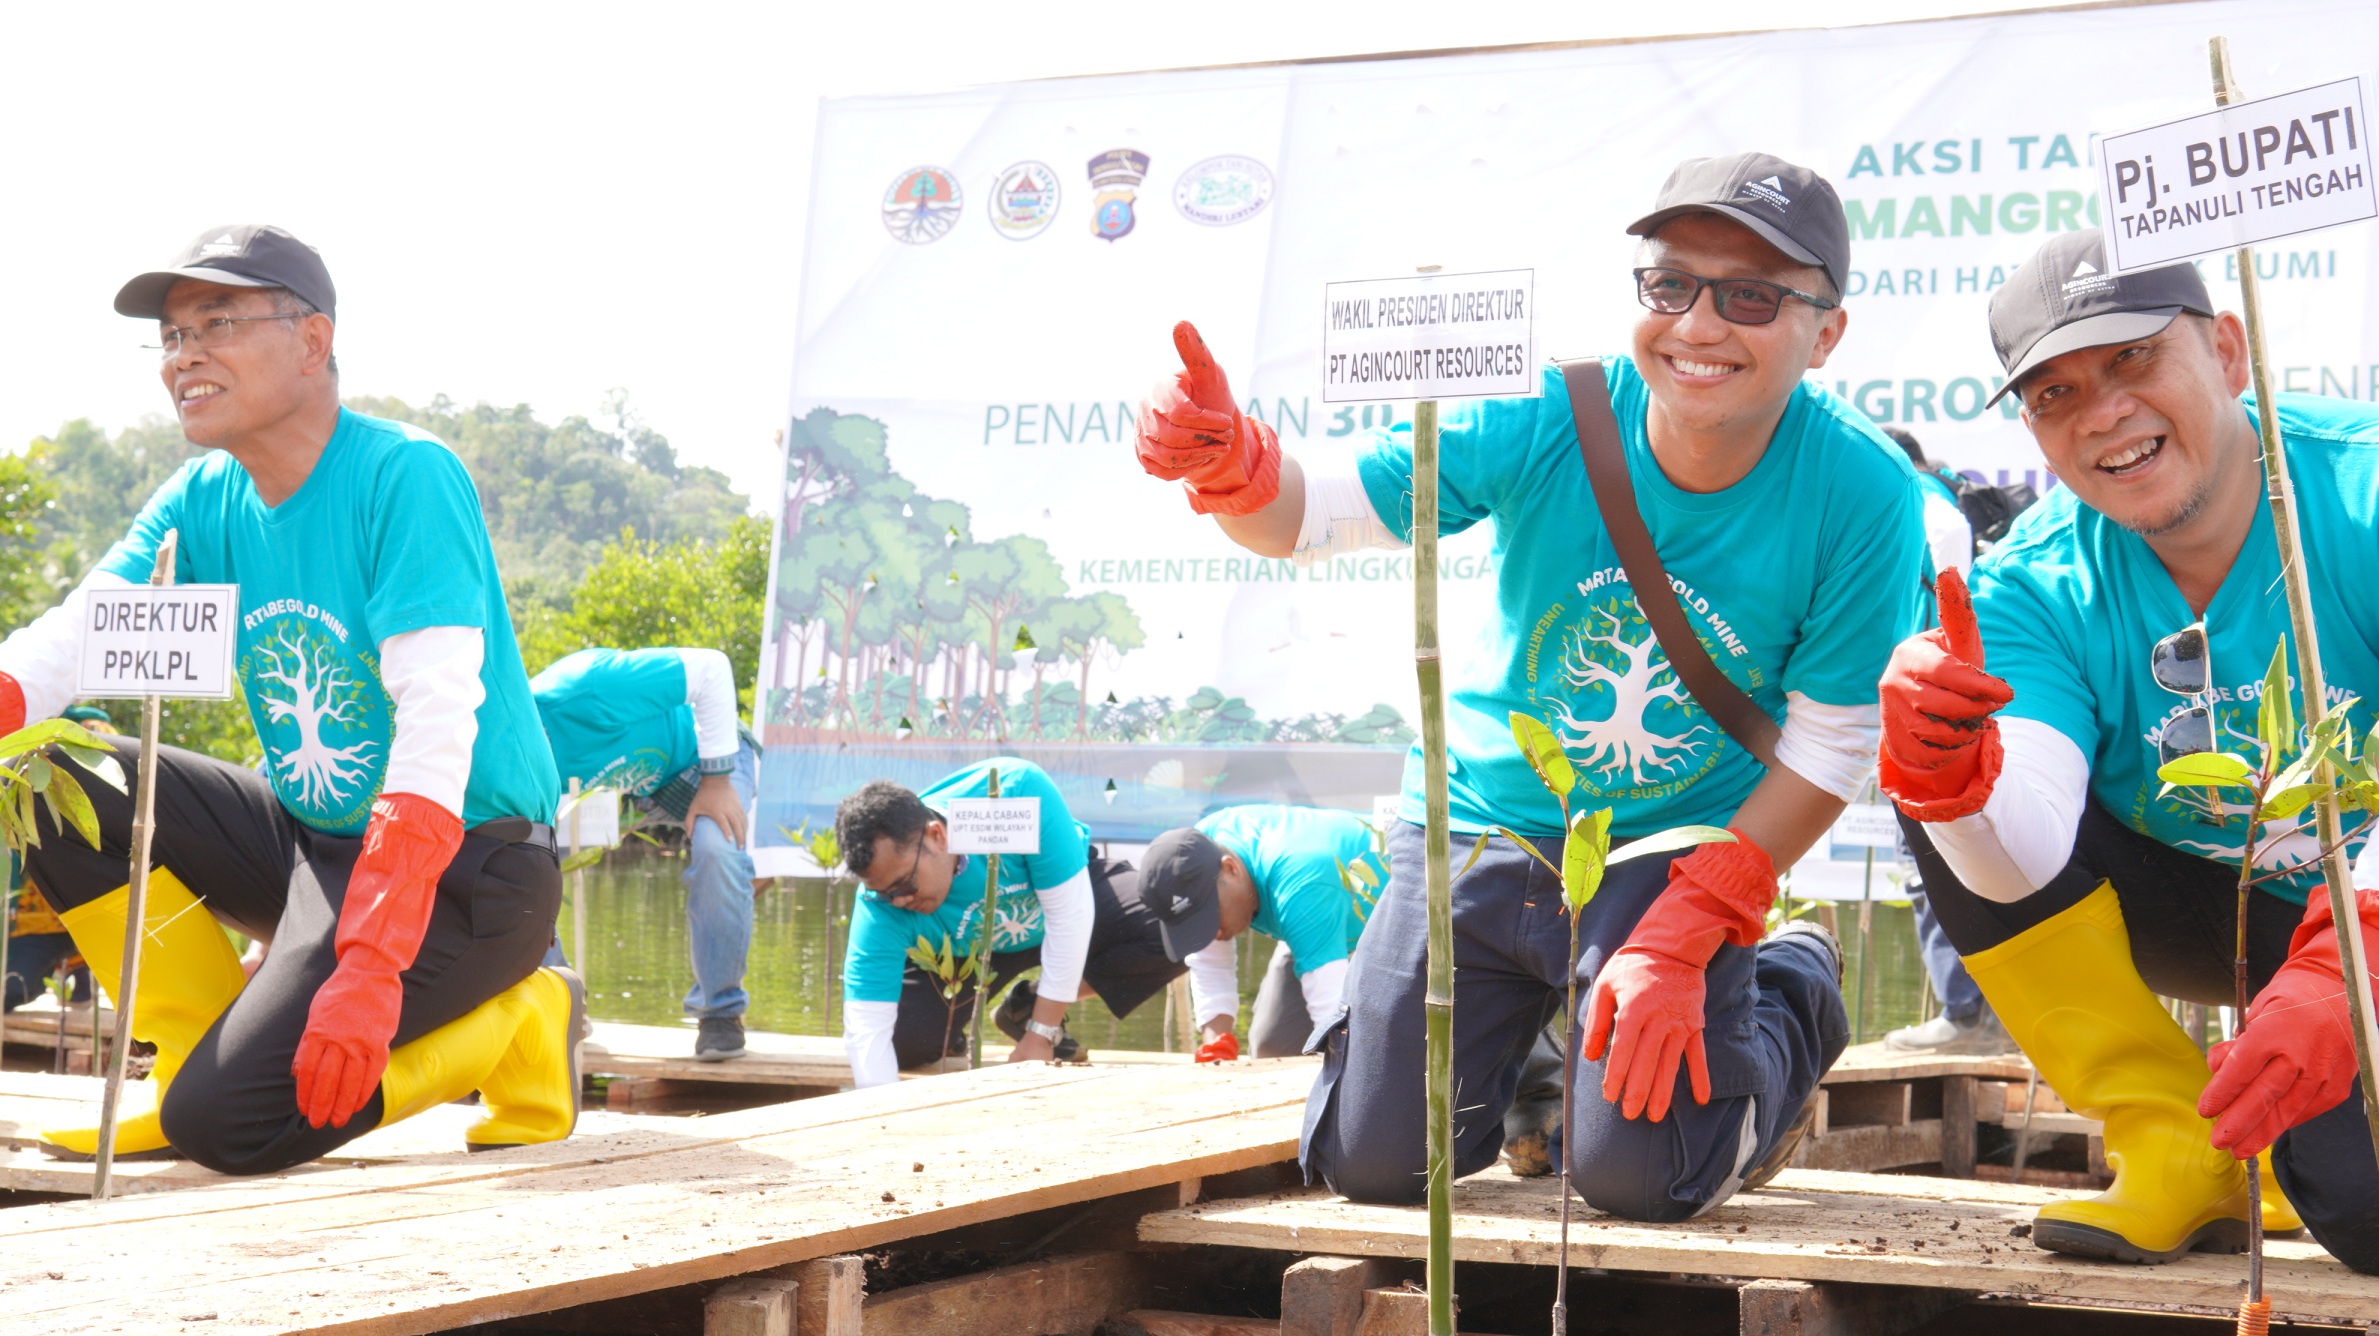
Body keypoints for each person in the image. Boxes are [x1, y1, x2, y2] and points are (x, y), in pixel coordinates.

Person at [1132, 152, 1927, 1220]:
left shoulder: (1863, 489)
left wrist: (1697, 919)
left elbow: (1829, 745)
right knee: (1377, 1167)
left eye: (1749, 297)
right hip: (1477, 826)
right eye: (1669, 283)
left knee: (1641, 1179)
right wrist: (1225, 463)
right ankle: (1538, 1064)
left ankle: (1788, 989)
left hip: (1667, 852)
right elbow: (1308, 515)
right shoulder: (1552, 410)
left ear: (1824, 333)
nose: (1696, 325)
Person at [0, 224, 576, 1173]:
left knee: (232, 1126)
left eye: (217, 324)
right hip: (313, 847)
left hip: (468, 869)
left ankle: (518, 1019)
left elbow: (437, 725)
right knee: (51, 772)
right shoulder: (199, 499)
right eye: (172, 337)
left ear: (312, 341)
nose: (184, 356)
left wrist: (372, 961)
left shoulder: (405, 474)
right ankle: (185, 1059)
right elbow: (71, 642)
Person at [1878, 227, 2379, 1269]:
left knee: (2363, 1207)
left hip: (2357, 920)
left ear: (2228, 352)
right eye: (2053, 393)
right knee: (1950, 781)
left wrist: (2348, 963)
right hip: (2212, 910)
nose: (2102, 412)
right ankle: (2177, 1140)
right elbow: (2022, 855)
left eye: (2133, 358)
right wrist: (1949, 773)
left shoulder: (2360, 489)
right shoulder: (2030, 583)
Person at [832, 758, 1207, 1084]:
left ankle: (1029, 1005)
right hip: (968, 951)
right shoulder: (880, 903)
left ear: (937, 836)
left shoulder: (1014, 795)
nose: (899, 901)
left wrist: (1040, 1033)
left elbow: (1069, 916)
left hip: (1057, 906)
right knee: (901, 1044)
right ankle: (955, 1029)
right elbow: (868, 1026)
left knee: (1175, 924)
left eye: (904, 884)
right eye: (885, 892)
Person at [532, 646, 756, 1060]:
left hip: (700, 761)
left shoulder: (588, 686)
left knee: (718, 848)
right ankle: (563, 1009)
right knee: (518, 873)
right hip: (630, 792)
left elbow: (713, 668)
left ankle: (721, 1013)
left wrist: (717, 782)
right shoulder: (508, 758)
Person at [1873, 429, 2014, 1058]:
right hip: (1962, 702)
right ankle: (1993, 1017)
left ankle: (1966, 1016)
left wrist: (1949, 645)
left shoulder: (1915, 495)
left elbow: (1948, 541)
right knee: (1978, 856)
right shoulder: (1942, 492)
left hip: (1933, 710)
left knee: (1928, 860)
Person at [1134, 804, 1386, 1063]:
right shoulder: (1194, 854)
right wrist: (1216, 1048)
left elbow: (1332, 1012)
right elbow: (1209, 961)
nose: (1211, 933)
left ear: (1231, 869)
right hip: (1311, 921)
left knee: (1364, 1050)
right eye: (1197, 924)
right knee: (1272, 1048)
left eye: (1210, 917)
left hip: (1388, 925)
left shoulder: (1299, 885)